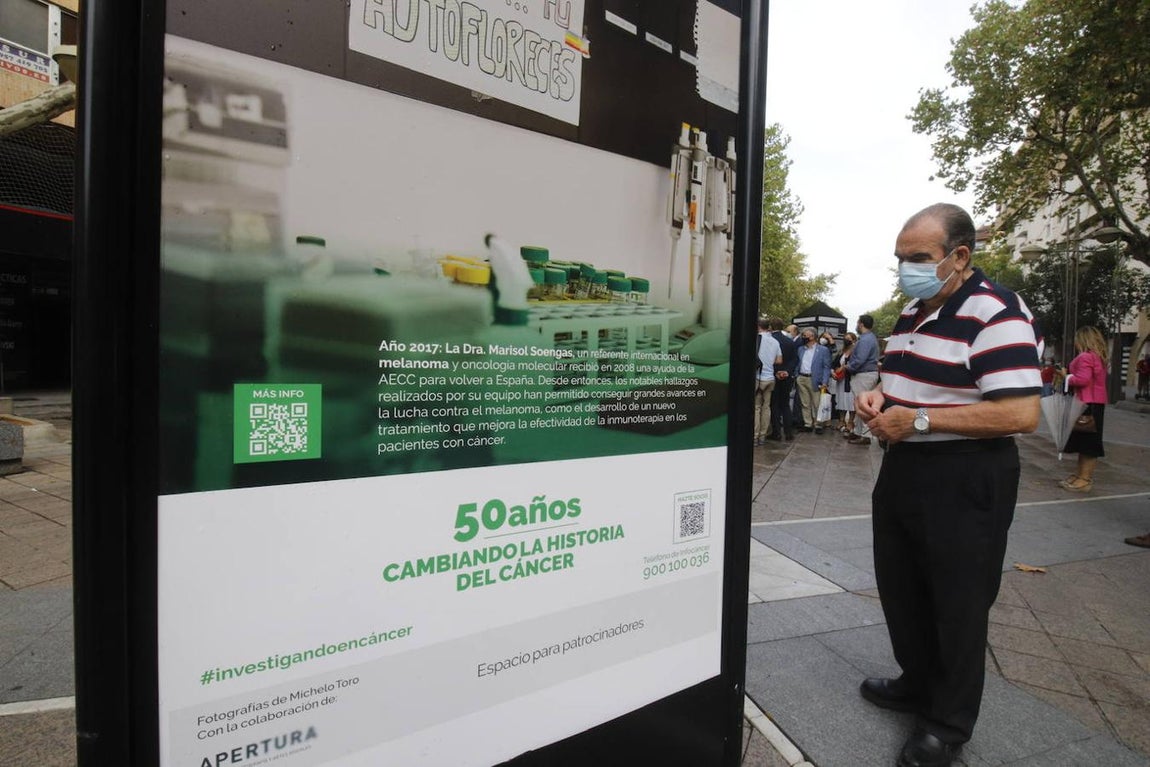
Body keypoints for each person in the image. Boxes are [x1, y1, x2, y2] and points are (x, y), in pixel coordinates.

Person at [855, 203, 1041, 767]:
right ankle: (916, 682)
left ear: (959, 256)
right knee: (901, 585)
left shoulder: (996, 311)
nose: (904, 269)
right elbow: (903, 380)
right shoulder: (913, 311)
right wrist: (880, 397)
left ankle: (946, 724)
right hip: (905, 467)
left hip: (967, 473)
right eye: (899, 259)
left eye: (917, 258)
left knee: (958, 603)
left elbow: (1020, 414)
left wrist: (919, 420)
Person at [1056, 326, 1109, 492]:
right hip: (1094, 403)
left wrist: (1066, 376)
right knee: (1086, 442)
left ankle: (1084, 478)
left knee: (1088, 444)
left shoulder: (1085, 357)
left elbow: (1083, 380)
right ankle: (1081, 475)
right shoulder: (1098, 357)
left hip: (1086, 403)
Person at [845, 314, 880, 445]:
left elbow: (860, 359)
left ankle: (866, 435)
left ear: (861, 324)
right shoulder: (867, 338)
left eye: (857, 323)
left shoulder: (866, 340)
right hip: (864, 374)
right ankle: (859, 432)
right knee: (859, 404)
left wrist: (848, 367)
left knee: (863, 405)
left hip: (864, 374)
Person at [795, 328, 831, 432]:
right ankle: (808, 424)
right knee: (805, 403)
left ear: (813, 337)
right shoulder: (800, 349)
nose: (803, 337)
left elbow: (826, 367)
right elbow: (798, 363)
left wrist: (825, 382)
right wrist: (797, 375)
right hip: (801, 378)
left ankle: (818, 424)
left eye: (805, 335)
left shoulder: (823, 350)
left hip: (815, 379)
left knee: (817, 403)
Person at [754, 317, 783, 446]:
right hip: (770, 378)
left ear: (758, 326)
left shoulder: (756, 339)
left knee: (756, 408)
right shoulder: (775, 341)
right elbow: (779, 360)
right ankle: (762, 436)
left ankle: (754, 436)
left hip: (758, 378)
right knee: (767, 407)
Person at [768, 318, 799, 441]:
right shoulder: (789, 341)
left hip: (773, 375)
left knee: (774, 404)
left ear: (770, 326)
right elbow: (794, 359)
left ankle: (776, 432)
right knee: (785, 404)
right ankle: (788, 432)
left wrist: (776, 371)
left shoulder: (769, 341)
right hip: (787, 377)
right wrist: (786, 371)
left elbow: (769, 359)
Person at [833, 332, 857, 433]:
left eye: (849, 339)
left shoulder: (856, 351)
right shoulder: (841, 351)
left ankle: (851, 422)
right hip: (841, 380)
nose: (846, 341)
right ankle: (841, 420)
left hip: (851, 380)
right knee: (841, 400)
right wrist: (834, 372)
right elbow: (834, 364)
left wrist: (843, 367)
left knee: (851, 401)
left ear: (854, 340)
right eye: (845, 338)